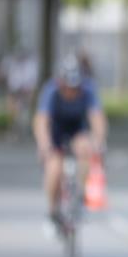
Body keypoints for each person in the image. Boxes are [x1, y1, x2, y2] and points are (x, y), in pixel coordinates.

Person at [33, 55, 107, 232]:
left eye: (75, 88)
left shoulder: (88, 90)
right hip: (56, 131)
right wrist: (44, 144)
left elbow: (97, 118)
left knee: (85, 149)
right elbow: (41, 120)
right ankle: (52, 210)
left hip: (77, 129)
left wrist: (99, 140)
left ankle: (80, 196)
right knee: (54, 167)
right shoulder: (51, 90)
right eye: (68, 88)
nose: (71, 92)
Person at [0, 46, 38, 138]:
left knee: (25, 110)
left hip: (26, 91)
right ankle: (13, 128)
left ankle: (26, 128)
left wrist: (29, 91)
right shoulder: (12, 65)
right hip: (14, 91)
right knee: (12, 110)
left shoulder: (30, 65)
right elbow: (9, 79)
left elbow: (32, 80)